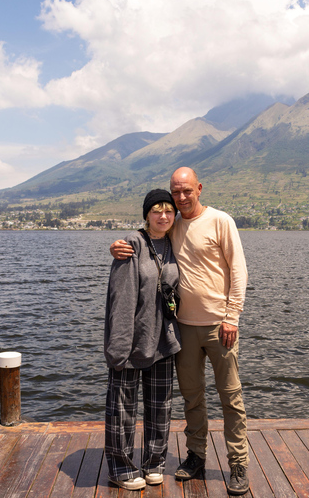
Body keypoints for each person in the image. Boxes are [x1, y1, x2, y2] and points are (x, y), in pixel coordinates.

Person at [110, 168, 250, 495]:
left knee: (231, 397)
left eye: (187, 190)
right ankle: (196, 455)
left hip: (220, 327)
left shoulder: (220, 221)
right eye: (176, 192)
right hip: (183, 329)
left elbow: (239, 270)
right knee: (192, 398)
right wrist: (117, 246)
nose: (182, 197)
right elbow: (147, 240)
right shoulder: (171, 224)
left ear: (199, 188)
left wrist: (232, 316)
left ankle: (238, 463)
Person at [104, 189, 182, 491]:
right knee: (122, 409)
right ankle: (120, 467)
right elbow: (120, 300)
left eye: (168, 211)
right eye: (156, 211)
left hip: (163, 340)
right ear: (146, 215)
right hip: (132, 341)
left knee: (161, 406)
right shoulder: (132, 245)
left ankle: (154, 463)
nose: (163, 216)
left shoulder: (176, 242)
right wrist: (118, 348)